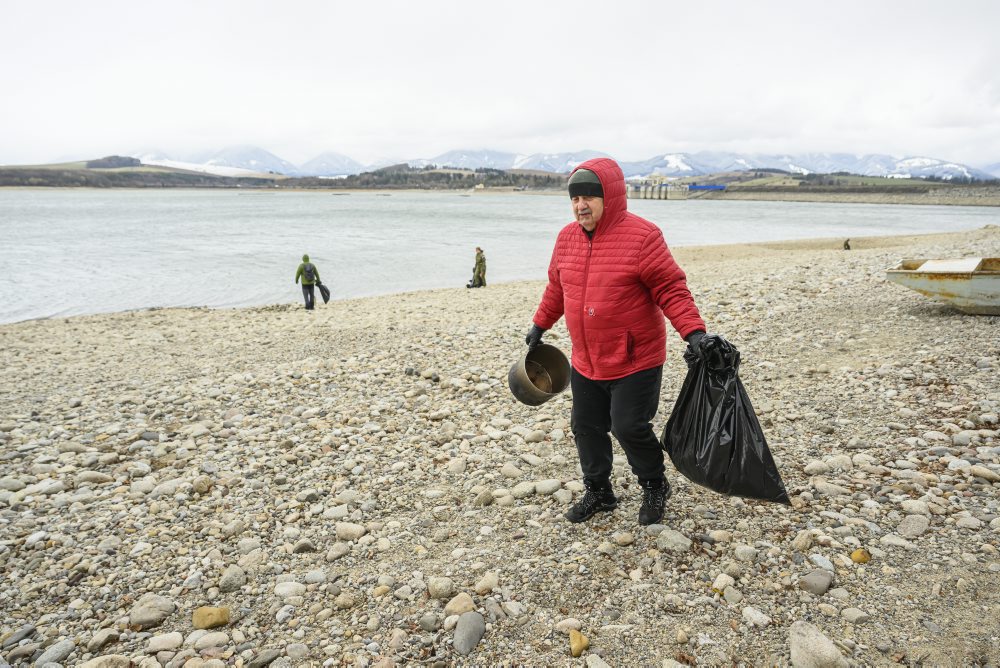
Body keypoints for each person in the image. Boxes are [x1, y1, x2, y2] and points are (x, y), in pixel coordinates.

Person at [525, 158, 709, 526]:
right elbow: (557, 289)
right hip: (586, 360)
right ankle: (599, 491)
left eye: (589, 197)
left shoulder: (643, 236)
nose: (581, 205)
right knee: (585, 426)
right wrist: (539, 325)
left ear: (610, 197)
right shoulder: (566, 238)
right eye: (575, 198)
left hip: (635, 359)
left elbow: (671, 289)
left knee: (629, 427)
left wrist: (695, 333)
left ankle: (654, 485)